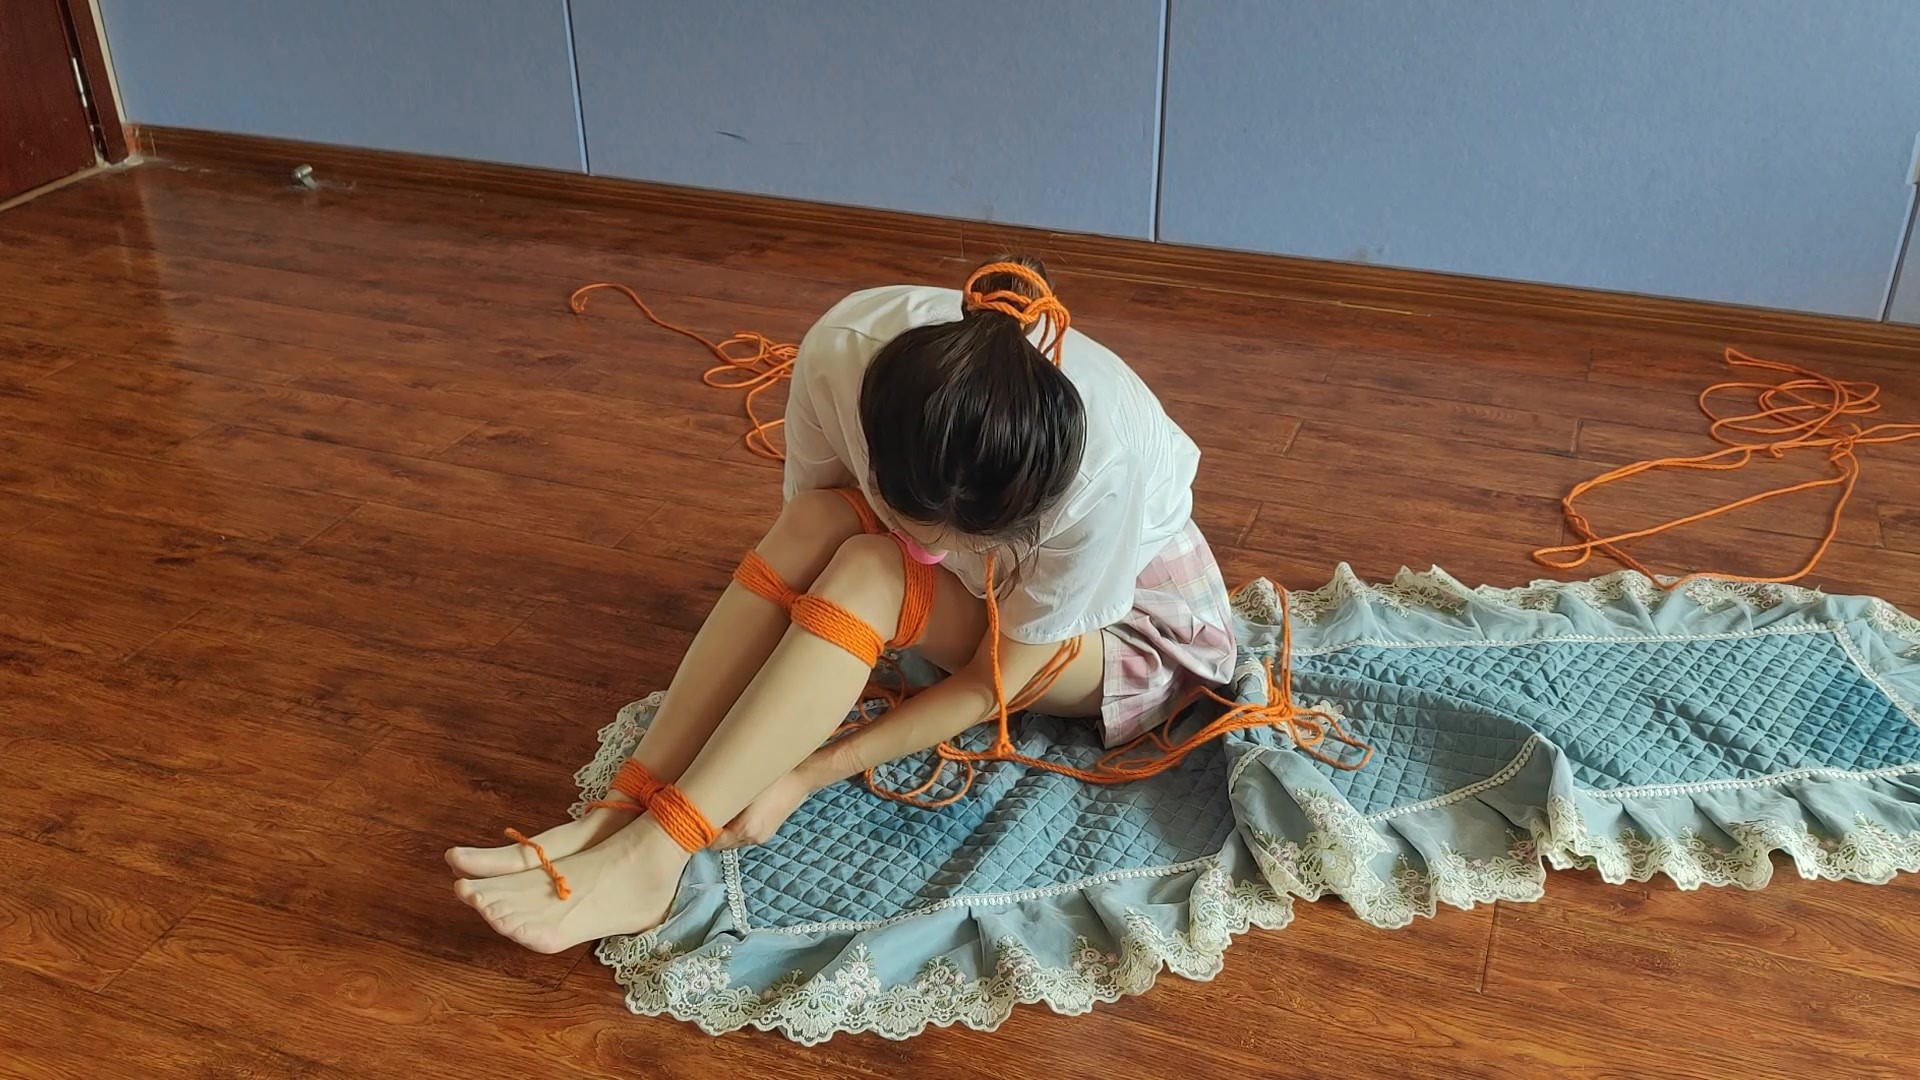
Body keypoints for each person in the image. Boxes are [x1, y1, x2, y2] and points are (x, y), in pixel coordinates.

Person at [446, 257, 1235, 954]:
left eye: (952, 541)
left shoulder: (1101, 480)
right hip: (998, 577)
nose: (929, 549)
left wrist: (803, 776)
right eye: (907, 519)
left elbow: (989, 681)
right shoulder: (842, 354)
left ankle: (657, 856)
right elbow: (807, 543)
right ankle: (623, 810)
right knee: (822, 525)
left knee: (873, 570)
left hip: (1134, 631)